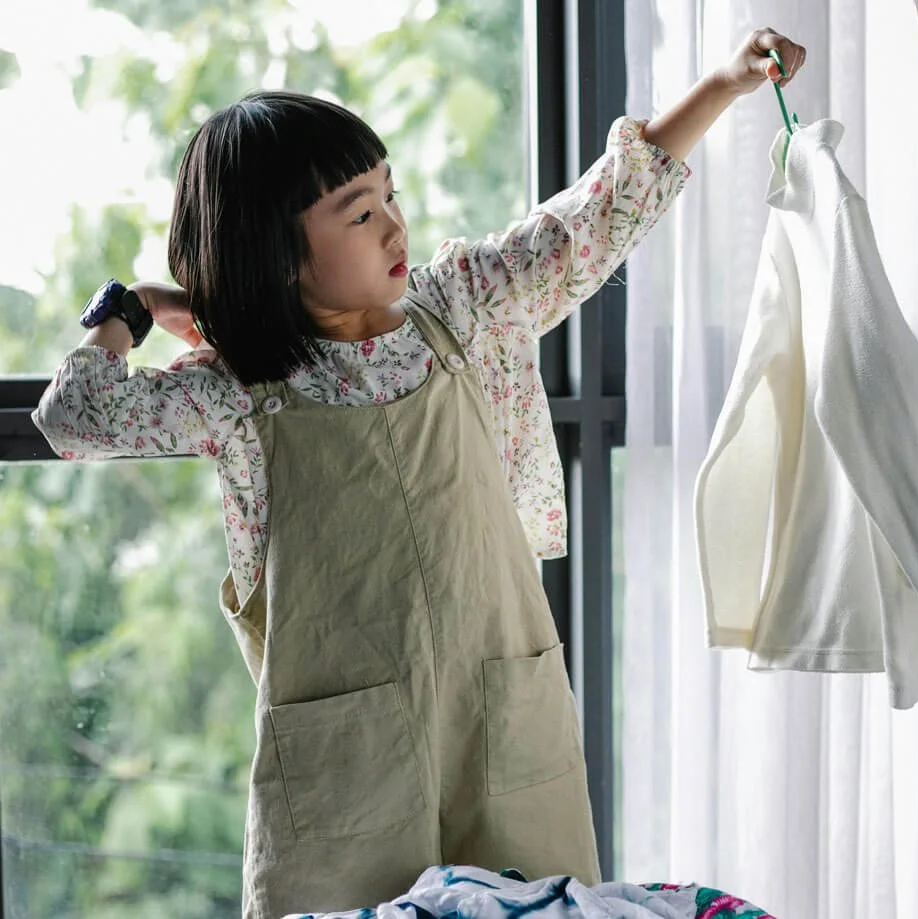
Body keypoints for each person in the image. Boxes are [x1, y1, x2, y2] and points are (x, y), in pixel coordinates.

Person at [33, 27, 805, 919]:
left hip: (501, 723)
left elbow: (596, 215)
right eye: (359, 213)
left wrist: (722, 84)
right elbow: (77, 416)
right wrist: (132, 309)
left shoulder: (465, 308)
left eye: (389, 194)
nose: (395, 224)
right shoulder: (238, 394)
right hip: (345, 770)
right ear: (275, 252)